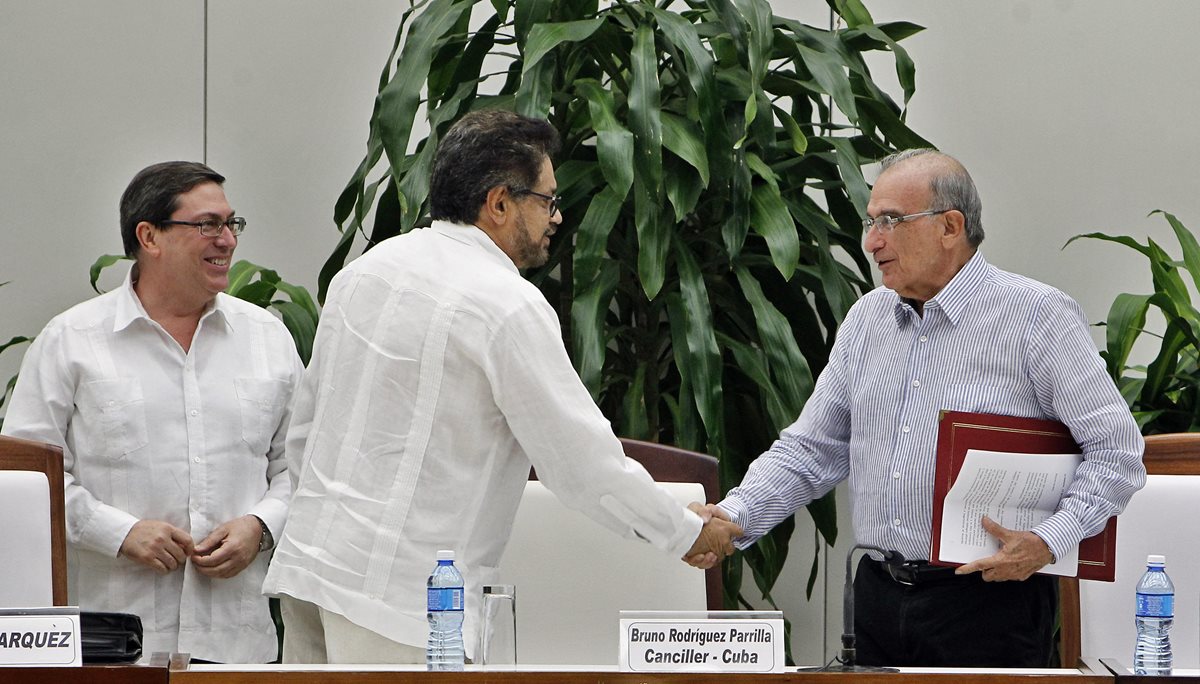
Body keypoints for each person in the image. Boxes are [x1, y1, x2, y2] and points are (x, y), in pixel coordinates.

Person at [262, 109, 741, 664]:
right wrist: (683, 532)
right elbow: (581, 463)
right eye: (547, 200)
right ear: (499, 203)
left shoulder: (363, 272)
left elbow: (306, 430)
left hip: (312, 573)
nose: (555, 218)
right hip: (401, 605)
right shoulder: (504, 302)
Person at [704, 149, 1146, 667]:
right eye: (872, 223)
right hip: (876, 594)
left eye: (890, 221)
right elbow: (812, 450)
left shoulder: (1036, 317)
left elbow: (1117, 453)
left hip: (988, 600)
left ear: (950, 226)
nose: (872, 241)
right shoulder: (867, 319)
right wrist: (734, 517)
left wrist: (1048, 542)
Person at [2, 161, 303, 662]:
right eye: (207, 225)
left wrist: (261, 525)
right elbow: (27, 480)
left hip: (235, 643)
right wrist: (118, 533)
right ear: (150, 236)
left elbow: (304, 465)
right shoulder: (71, 341)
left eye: (232, 224)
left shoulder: (267, 338)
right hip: (111, 644)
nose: (227, 240)